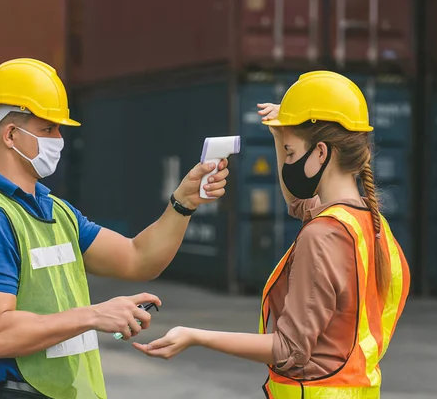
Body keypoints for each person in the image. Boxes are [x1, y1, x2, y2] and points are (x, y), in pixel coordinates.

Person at [0, 58, 231, 399]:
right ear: (10, 135)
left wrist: (183, 204)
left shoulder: (57, 212)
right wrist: (94, 314)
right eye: (48, 129)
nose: (59, 139)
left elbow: (138, 258)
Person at [133, 70, 411, 398]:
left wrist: (195, 336)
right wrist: (282, 135)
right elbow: (299, 202)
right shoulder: (371, 224)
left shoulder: (322, 235)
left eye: (291, 154)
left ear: (321, 153)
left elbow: (290, 349)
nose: (287, 163)